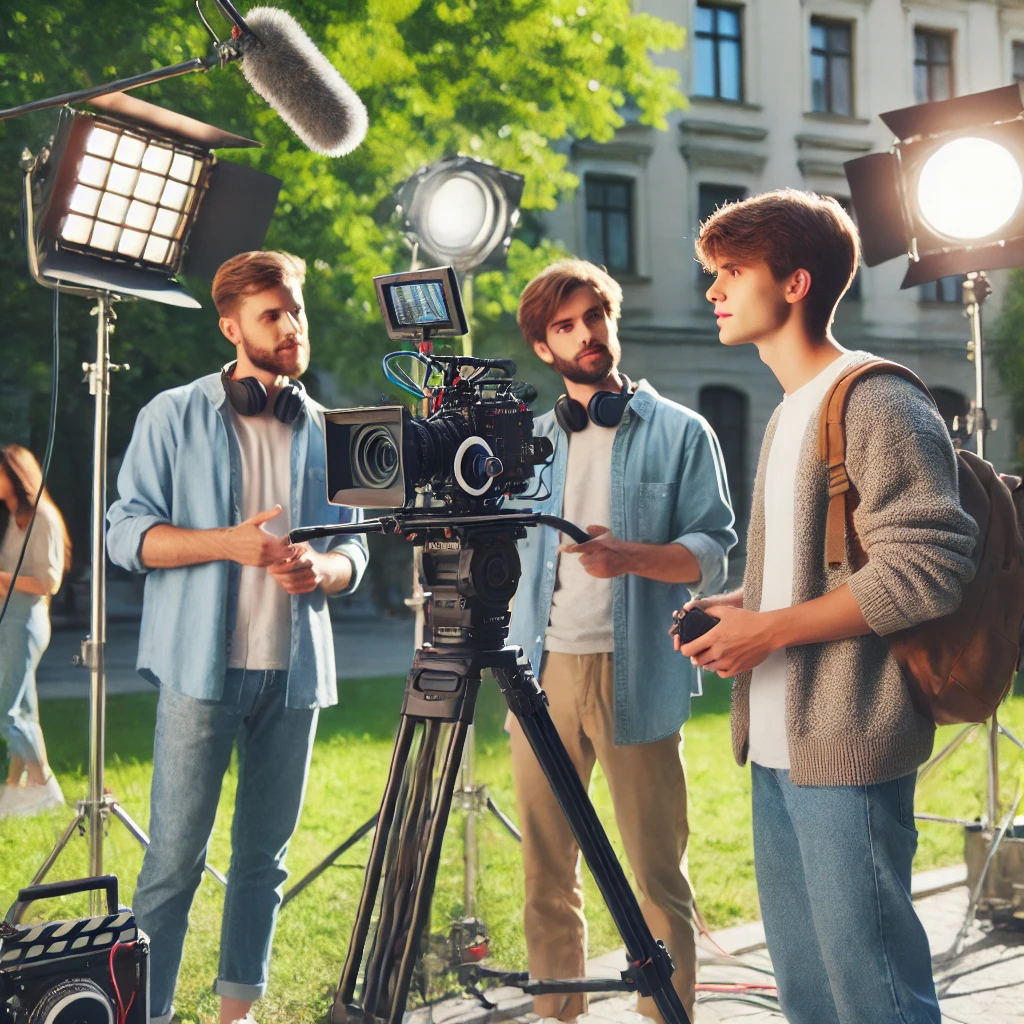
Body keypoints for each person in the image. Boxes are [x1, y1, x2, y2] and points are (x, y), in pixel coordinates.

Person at [677, 190, 978, 1024]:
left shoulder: (876, 398)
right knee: (809, 997)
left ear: (796, 282)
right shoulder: (785, 414)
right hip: (778, 748)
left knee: (876, 995)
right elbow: (823, 569)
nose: (714, 291)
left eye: (732, 273)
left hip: (848, 743)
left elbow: (930, 566)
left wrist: (767, 630)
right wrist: (739, 607)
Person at [107, 250, 368, 1024]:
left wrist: (323, 570)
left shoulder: (328, 428)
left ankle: (237, 1013)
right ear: (231, 328)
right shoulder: (170, 414)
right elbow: (126, 537)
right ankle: (148, 1017)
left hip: (294, 677)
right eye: (271, 315)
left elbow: (356, 548)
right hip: (199, 673)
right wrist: (225, 542)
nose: (291, 327)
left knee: (264, 861)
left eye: (296, 311)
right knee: (172, 864)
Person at [507, 259, 737, 1024]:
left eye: (593, 318)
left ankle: (667, 1013)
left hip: (638, 670)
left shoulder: (682, 431)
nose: (585, 335)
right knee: (546, 871)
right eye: (565, 326)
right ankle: (557, 1014)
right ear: (545, 348)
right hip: (539, 676)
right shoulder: (530, 446)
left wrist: (630, 555)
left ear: (613, 320)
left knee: (654, 872)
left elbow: (713, 549)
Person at [0, 444, 70, 818]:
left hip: (25, 624)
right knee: (23, 710)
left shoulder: (42, 516)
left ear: (15, 474)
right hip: (11, 621)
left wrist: (1, 579)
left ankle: (44, 785)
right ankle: (15, 788)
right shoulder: (17, 516)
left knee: (4, 712)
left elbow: (49, 581)